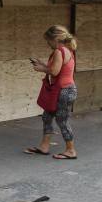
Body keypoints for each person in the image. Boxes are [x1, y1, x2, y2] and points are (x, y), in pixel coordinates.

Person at [24, 25, 78, 160]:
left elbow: (54, 71)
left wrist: (41, 69)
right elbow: (55, 68)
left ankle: (71, 150)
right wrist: (42, 64)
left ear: (55, 39)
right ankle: (44, 146)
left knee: (62, 120)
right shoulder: (65, 50)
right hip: (62, 90)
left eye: (48, 40)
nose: (47, 43)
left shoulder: (60, 51)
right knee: (47, 117)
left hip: (64, 91)